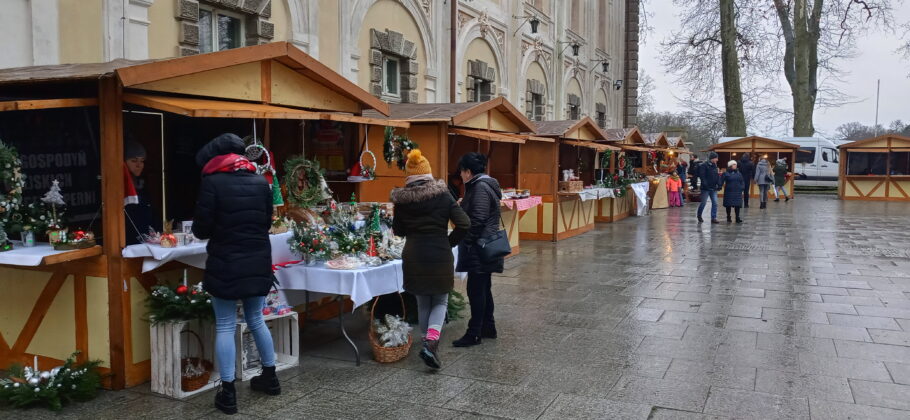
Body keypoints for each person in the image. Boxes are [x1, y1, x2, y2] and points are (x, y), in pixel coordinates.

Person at [192, 133, 278, 415]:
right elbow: (266, 222)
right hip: (257, 260)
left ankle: (227, 393)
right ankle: (271, 377)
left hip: (226, 262)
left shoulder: (212, 182)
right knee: (256, 318)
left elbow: (201, 230)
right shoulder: (260, 181)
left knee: (226, 325)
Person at [390, 150, 470, 369]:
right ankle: (431, 342)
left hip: (414, 254)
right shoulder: (444, 196)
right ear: (428, 174)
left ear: (409, 176)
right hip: (439, 252)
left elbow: (398, 231)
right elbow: (464, 224)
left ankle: (428, 342)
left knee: (422, 300)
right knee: (440, 300)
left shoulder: (402, 202)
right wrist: (450, 242)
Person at [453, 152, 504, 347]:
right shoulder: (483, 185)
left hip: (479, 247)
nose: (461, 176)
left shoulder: (480, 187)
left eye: (462, 172)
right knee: (483, 288)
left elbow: (478, 219)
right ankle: (488, 327)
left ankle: (474, 333)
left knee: (476, 290)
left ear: (468, 172)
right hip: (485, 245)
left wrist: (465, 241)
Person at [124, 139, 159, 245]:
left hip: (146, 239)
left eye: (142, 161)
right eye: (134, 161)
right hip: (130, 242)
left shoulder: (144, 183)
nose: (139, 165)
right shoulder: (121, 186)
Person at [696, 152, 721, 224]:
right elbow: (702, 176)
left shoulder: (715, 166)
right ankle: (699, 215)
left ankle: (713, 218)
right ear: (712, 158)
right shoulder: (704, 165)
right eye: (716, 158)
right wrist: (705, 185)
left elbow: (717, 176)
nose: (717, 159)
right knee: (703, 203)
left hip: (713, 188)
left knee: (715, 203)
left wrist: (719, 184)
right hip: (705, 188)